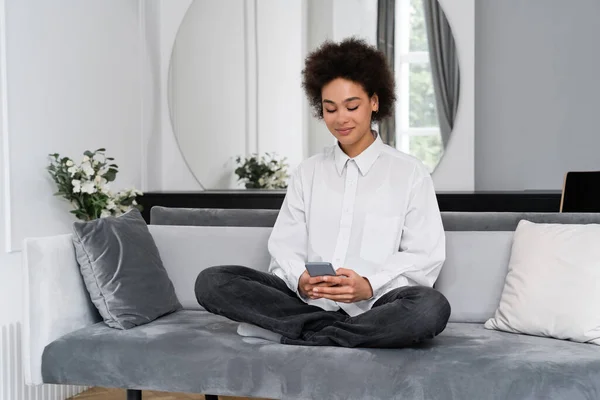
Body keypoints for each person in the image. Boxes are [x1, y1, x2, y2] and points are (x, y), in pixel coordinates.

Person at [195, 38, 450, 348]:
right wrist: (301, 279)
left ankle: (294, 332)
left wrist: (368, 286)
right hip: (306, 302)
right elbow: (285, 247)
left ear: (374, 102)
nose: (341, 118)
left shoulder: (410, 173)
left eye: (352, 106)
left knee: (430, 308)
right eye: (330, 109)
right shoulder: (308, 172)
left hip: (377, 305)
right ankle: (334, 333)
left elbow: (424, 256)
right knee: (212, 282)